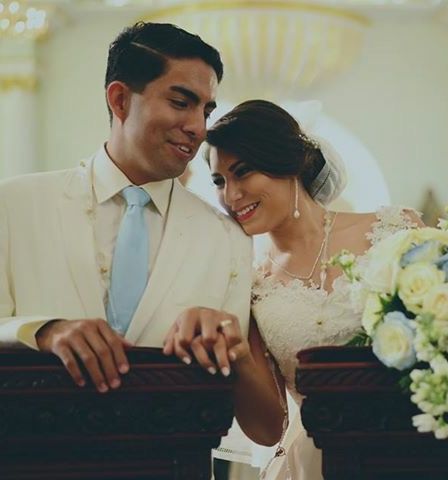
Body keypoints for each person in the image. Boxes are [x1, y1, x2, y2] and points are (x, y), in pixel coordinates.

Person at [0, 22, 283, 446]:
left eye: (205, 110)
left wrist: (228, 343)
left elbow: (261, 426)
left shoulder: (227, 237)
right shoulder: (15, 204)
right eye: (181, 102)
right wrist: (42, 332)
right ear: (119, 99)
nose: (198, 127)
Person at [203, 99, 425, 479]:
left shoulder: (395, 230)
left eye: (243, 172)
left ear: (290, 163)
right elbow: (268, 428)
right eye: (220, 181)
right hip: (315, 463)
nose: (231, 195)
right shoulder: (249, 284)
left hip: (413, 448)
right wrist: (236, 356)